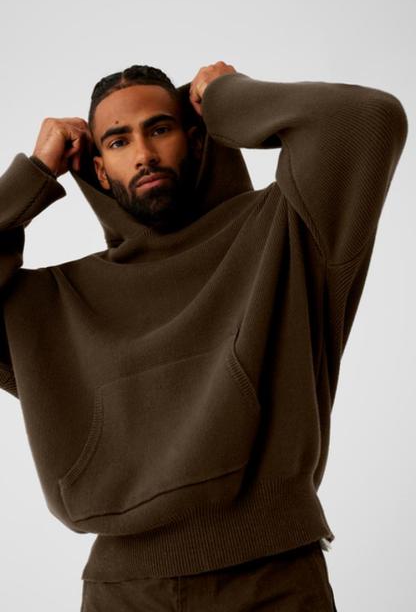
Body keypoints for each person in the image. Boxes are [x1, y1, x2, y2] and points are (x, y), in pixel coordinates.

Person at [0, 61, 407, 611]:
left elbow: (367, 119)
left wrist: (226, 96)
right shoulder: (57, 302)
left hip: (273, 578)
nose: (143, 153)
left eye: (159, 129)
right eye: (119, 141)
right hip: (122, 594)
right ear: (99, 169)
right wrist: (32, 174)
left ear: (196, 138)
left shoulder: (286, 229)